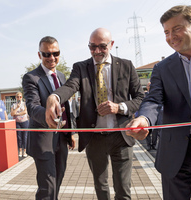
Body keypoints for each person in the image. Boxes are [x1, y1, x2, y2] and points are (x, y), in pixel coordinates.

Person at [126, 5, 191, 199]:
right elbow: (153, 100)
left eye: (176, 29)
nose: (170, 36)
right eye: (166, 32)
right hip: (175, 154)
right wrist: (144, 119)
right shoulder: (162, 68)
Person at [45, 28, 144, 200]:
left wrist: (119, 107)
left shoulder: (126, 65)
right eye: (92, 47)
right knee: (101, 186)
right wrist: (55, 97)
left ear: (111, 45)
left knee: (123, 189)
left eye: (102, 47)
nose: (97, 51)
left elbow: (140, 97)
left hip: (121, 136)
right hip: (94, 137)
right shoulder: (81, 67)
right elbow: (70, 86)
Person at [22, 36, 76, 200]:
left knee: (57, 184)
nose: (51, 58)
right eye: (46, 54)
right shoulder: (31, 78)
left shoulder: (61, 76)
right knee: (47, 188)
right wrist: (47, 116)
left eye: (55, 53)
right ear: (39, 55)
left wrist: (70, 133)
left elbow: (67, 107)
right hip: (42, 140)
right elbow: (32, 107)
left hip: (61, 139)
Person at [11, 92, 29, 157]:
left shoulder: (24, 104)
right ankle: (20, 151)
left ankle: (25, 151)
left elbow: (25, 112)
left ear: (22, 97)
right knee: (19, 137)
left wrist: (17, 113)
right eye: (18, 96)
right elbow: (12, 114)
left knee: (25, 137)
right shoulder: (14, 105)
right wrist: (16, 108)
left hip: (25, 122)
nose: (19, 98)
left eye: (20, 96)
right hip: (17, 123)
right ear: (16, 97)